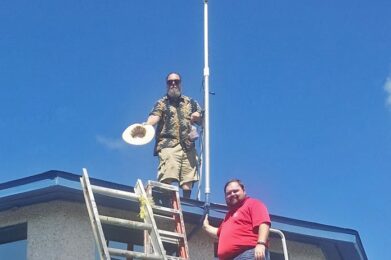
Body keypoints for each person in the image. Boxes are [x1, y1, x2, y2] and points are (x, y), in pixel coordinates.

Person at [146, 72, 202, 199]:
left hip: (188, 145)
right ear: (166, 85)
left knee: (188, 180)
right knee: (168, 175)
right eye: (170, 82)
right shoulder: (162, 103)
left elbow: (202, 119)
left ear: (180, 84)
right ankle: (166, 202)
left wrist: (198, 116)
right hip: (169, 144)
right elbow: (155, 115)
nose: (173, 84)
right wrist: (147, 125)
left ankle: (186, 207)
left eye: (176, 81)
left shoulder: (191, 102)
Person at [203, 179, 271, 260]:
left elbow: (263, 223)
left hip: (248, 254)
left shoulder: (253, 203)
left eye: (235, 191)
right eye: (228, 193)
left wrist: (261, 244)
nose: (232, 194)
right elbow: (218, 233)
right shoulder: (228, 216)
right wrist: (206, 226)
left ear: (244, 191)